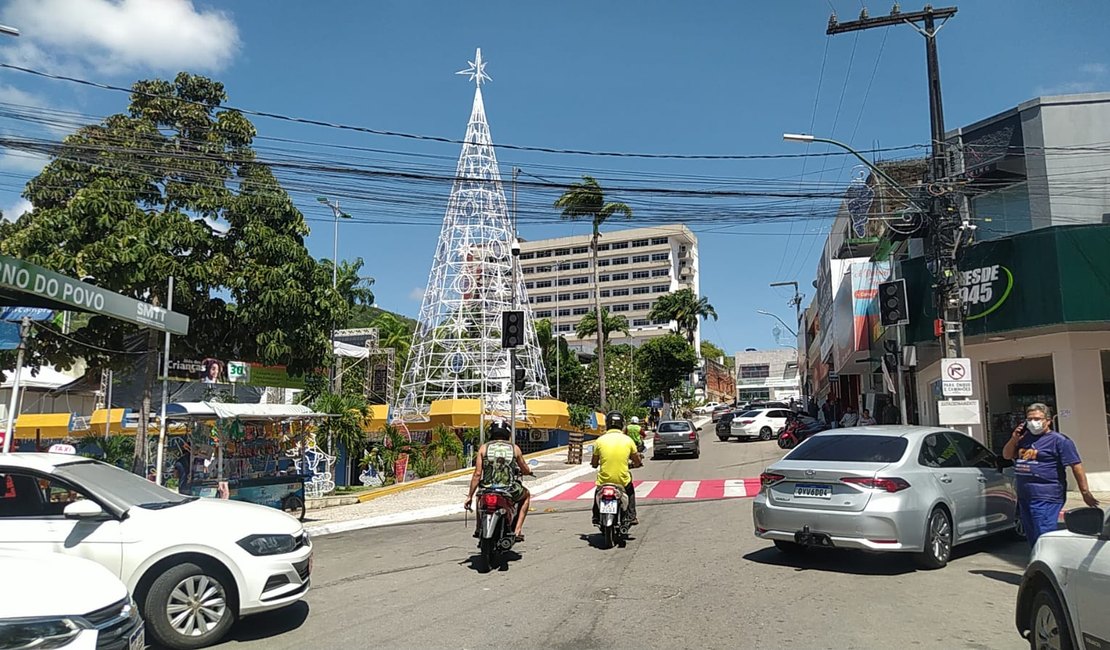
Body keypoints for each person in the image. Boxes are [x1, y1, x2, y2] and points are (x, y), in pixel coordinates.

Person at [1003, 403, 1100, 547]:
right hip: (1025, 495)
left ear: (1048, 421)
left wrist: (1085, 492)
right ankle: (1037, 563)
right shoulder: (1023, 438)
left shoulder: (1060, 441)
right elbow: (1007, 455)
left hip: (1047, 495)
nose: (1033, 422)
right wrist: (1014, 439)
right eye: (1029, 419)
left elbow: (1076, 466)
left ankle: (1047, 564)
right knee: (1033, 536)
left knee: (1044, 534)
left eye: (1037, 419)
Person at [464, 420, 534, 542]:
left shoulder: (484, 448)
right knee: (526, 495)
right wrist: (528, 472)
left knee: (478, 496)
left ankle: (478, 527)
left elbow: (477, 474)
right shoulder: (514, 449)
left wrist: (469, 496)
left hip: (488, 488)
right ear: (507, 433)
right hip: (509, 489)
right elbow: (524, 468)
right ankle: (517, 531)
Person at [591, 411, 643, 526]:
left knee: (597, 492)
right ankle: (631, 516)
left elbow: (594, 463)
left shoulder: (599, 441)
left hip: (604, 481)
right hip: (622, 481)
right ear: (622, 424)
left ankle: (595, 516)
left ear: (607, 424)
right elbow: (637, 460)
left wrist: (596, 464)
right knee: (630, 491)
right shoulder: (628, 440)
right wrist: (637, 464)